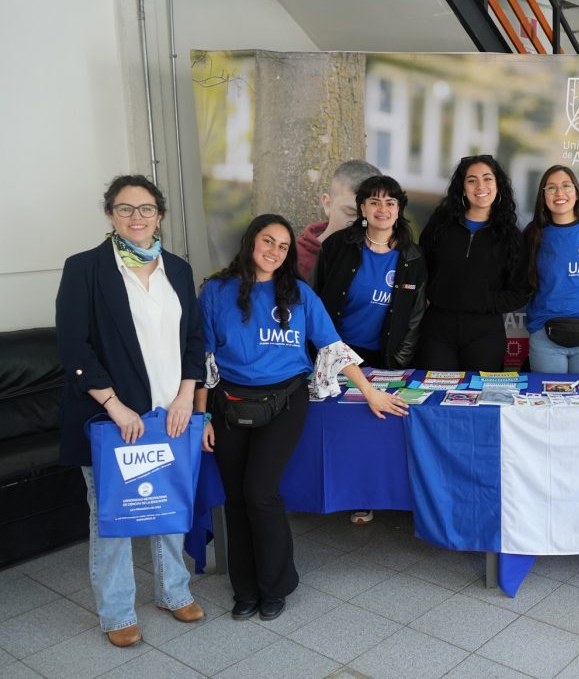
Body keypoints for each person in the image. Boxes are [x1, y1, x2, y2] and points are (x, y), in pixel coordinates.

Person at [195, 214, 408, 621]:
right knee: (236, 497)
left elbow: (332, 345)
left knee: (261, 492)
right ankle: (245, 589)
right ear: (250, 241)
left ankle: (276, 585)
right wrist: (201, 417)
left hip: (285, 401)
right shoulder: (216, 292)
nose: (274, 251)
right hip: (228, 403)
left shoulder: (299, 294)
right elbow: (203, 358)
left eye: (283, 246)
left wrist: (369, 391)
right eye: (267, 241)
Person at [56, 174, 205, 647]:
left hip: (171, 414)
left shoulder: (177, 269)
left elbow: (195, 339)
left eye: (145, 209)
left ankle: (172, 590)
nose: (136, 217)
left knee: (168, 505)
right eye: (126, 208)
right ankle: (117, 612)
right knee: (114, 517)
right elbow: (73, 347)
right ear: (110, 215)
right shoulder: (85, 269)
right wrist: (115, 406)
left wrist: (186, 394)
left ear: (159, 215)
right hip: (113, 419)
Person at [312, 175, 427, 525]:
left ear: (398, 209)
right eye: (374, 202)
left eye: (390, 202)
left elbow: (415, 315)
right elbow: (318, 303)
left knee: (377, 426)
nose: (382, 209)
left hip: (385, 357)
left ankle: (376, 494)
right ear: (362, 208)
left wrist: (399, 362)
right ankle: (349, 494)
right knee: (344, 428)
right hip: (341, 353)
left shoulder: (412, 256)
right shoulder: (338, 247)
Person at [417, 155, 529, 371]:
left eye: (487, 179)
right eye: (472, 180)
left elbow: (520, 291)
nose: (480, 186)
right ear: (462, 187)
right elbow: (421, 271)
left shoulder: (510, 236)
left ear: (498, 186)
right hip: (438, 329)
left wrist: (483, 300)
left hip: (485, 331)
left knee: (479, 397)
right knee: (435, 396)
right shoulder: (439, 227)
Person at [523, 165, 579, 374]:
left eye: (566, 186)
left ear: (577, 192)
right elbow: (522, 280)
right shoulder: (533, 234)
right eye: (551, 188)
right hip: (545, 333)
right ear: (543, 195)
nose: (559, 193)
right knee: (546, 402)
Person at [297, 160, 382, 279]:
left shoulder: (385, 261)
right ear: (327, 204)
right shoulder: (292, 259)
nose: (359, 223)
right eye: (351, 212)